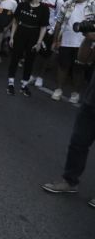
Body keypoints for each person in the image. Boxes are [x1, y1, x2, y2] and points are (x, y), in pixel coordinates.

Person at [42, 32, 95, 207]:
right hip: (91, 101)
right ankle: (70, 181)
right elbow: (82, 58)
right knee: (78, 143)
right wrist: (88, 38)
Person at [51, 0, 95, 103]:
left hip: (83, 44)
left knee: (78, 70)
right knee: (62, 66)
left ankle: (75, 93)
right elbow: (59, 22)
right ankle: (58, 90)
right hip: (65, 41)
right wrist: (55, 40)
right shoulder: (67, 4)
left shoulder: (92, 4)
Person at [6, 0, 49, 96]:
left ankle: (24, 85)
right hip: (20, 33)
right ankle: (10, 83)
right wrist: (12, 36)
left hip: (33, 35)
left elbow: (43, 27)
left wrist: (39, 42)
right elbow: (15, 21)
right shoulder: (22, 5)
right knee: (15, 58)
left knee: (30, 61)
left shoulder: (44, 8)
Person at [30, 0, 64, 87]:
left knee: (44, 55)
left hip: (48, 30)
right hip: (36, 28)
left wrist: (52, 31)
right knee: (34, 52)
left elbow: (59, 17)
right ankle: (33, 75)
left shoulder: (58, 0)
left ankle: (40, 77)